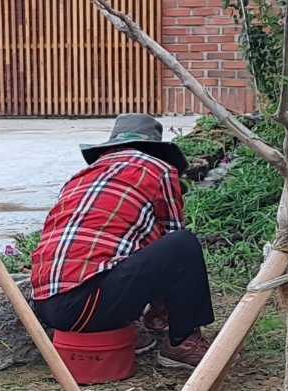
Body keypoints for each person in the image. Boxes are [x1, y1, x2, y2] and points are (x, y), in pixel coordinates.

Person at [29, 113, 215, 370]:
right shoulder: (159, 169)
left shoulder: (79, 178)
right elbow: (172, 244)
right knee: (183, 244)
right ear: (155, 149)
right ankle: (182, 343)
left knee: (113, 257)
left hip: (45, 307)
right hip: (87, 303)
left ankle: (122, 330)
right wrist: (165, 305)